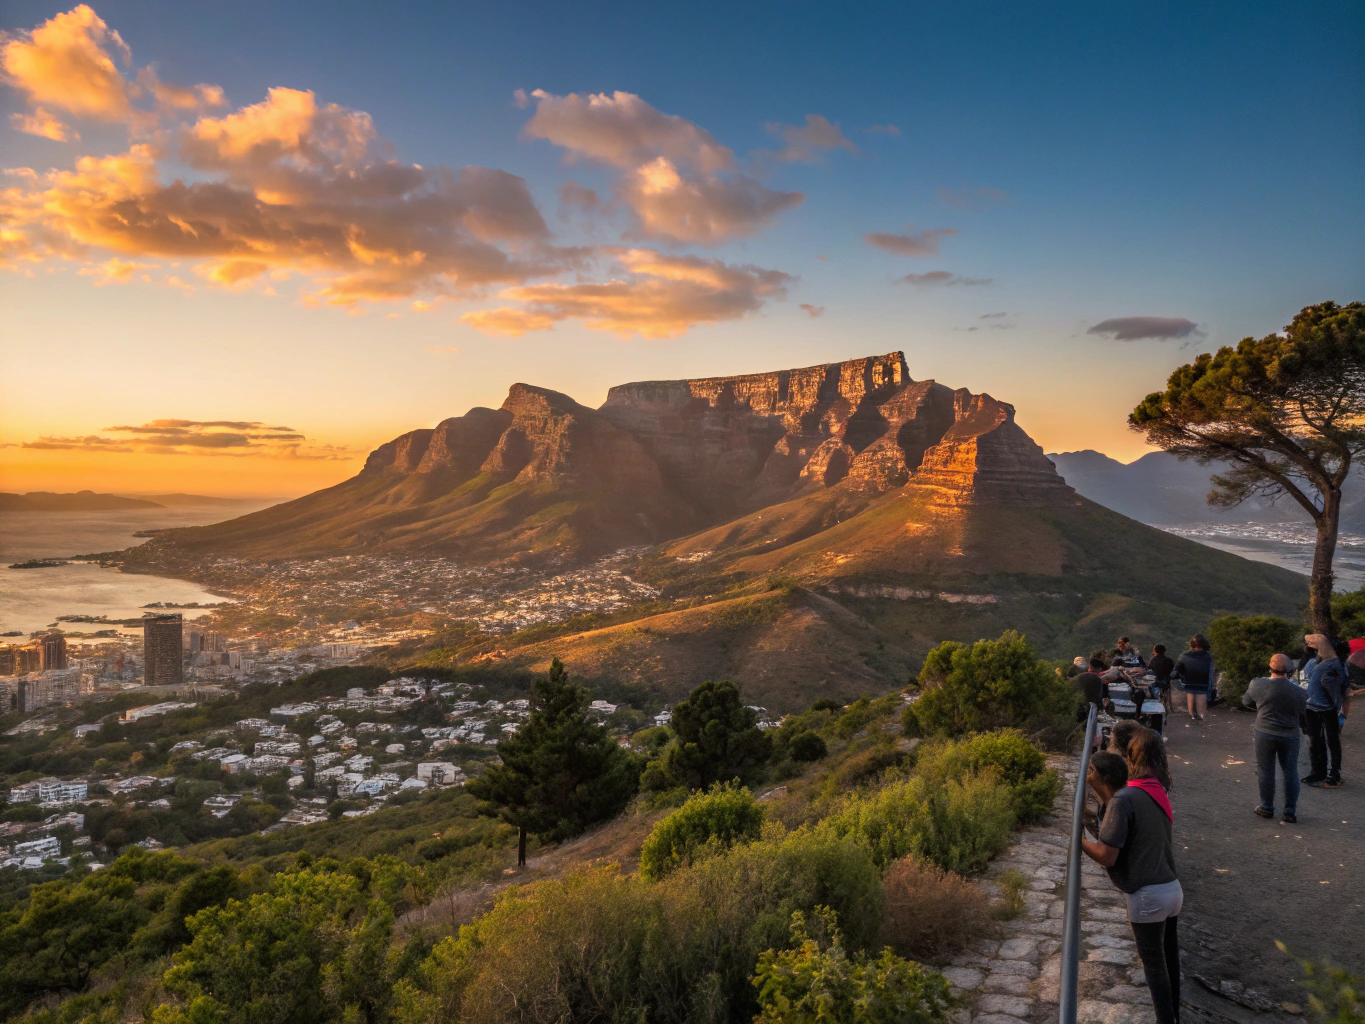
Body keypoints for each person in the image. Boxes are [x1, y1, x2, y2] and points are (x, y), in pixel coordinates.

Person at [1082, 736, 1182, 1024]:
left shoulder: (1124, 799)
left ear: (1098, 775)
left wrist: (1078, 840)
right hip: (1172, 889)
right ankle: (1175, 1014)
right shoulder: (1149, 793)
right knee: (1169, 959)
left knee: (1154, 968)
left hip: (1147, 895)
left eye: (1089, 771)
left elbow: (1107, 855)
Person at [1243, 653, 1308, 823]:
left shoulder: (1257, 684)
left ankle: (1266, 807)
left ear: (1269, 667)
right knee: (1290, 772)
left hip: (1264, 732)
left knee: (1266, 770)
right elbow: (1303, 716)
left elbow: (1246, 702)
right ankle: (1289, 811)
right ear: (1291, 671)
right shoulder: (1299, 692)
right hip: (1289, 735)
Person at [1302, 633, 1345, 788]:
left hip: (1326, 708)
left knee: (1330, 741)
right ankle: (1318, 771)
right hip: (1312, 707)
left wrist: (1339, 710)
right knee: (1316, 740)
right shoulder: (1316, 662)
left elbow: (1336, 692)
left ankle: (1333, 773)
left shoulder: (1330, 665)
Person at [1175, 634, 1214, 723]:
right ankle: (1202, 728)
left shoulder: (1184, 656)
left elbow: (1177, 670)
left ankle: (1194, 721)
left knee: (1191, 713)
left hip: (1188, 685)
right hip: (1202, 686)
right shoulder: (1207, 657)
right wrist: (1211, 690)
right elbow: (1211, 674)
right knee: (1202, 715)